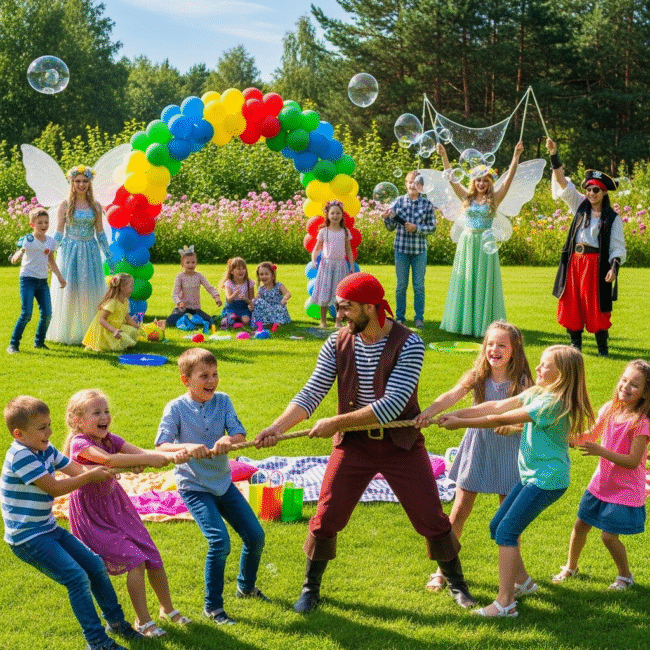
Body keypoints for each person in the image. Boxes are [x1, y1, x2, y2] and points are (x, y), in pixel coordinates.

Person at [255, 272, 475, 613]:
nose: (340, 314)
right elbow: (312, 392)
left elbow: (391, 405)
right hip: (354, 446)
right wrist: (276, 428)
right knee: (326, 516)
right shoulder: (337, 342)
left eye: (347, 307)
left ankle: (458, 585)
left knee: (430, 517)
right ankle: (310, 589)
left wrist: (335, 423)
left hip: (400, 444)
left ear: (370, 308)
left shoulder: (409, 343)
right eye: (339, 307)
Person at [436, 345, 594, 617]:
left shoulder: (551, 404)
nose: (537, 368)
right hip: (533, 476)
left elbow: (500, 417)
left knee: (507, 533)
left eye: (545, 365)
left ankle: (505, 603)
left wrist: (460, 423)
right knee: (498, 526)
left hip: (547, 481)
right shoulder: (539, 392)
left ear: (560, 374)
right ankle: (524, 583)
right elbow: (496, 405)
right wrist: (459, 414)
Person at [1, 396, 143, 650]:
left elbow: (77, 470)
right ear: (19, 434)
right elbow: (55, 488)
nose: (49, 432)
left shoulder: (45, 449)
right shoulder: (21, 456)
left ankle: (116, 623)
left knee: (95, 565)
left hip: (48, 528)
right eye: (42, 428)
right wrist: (91, 476)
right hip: (27, 538)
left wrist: (127, 466)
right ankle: (97, 641)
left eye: (49, 425)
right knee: (77, 578)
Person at [414, 321, 532, 592]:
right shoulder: (477, 375)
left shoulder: (523, 381)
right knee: (459, 511)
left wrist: (514, 425)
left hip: (509, 452)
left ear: (515, 349)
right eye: (490, 344)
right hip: (478, 446)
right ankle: (442, 570)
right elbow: (452, 395)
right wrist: (429, 412)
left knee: (509, 519)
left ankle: (515, 578)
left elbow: (531, 414)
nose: (494, 350)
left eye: (502, 345)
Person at [63, 389, 192, 637]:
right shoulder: (80, 443)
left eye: (106, 411)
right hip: (94, 515)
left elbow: (140, 452)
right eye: (96, 413)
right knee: (135, 560)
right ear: (78, 421)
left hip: (117, 506)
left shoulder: (110, 439)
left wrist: (171, 456)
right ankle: (143, 621)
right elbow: (109, 461)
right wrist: (144, 462)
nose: (104, 416)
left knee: (151, 554)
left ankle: (167, 609)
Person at [155, 347, 268, 625]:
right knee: (219, 542)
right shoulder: (175, 408)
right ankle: (213, 607)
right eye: (204, 376)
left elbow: (239, 433)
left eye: (215, 374)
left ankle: (246, 587)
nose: (212, 381)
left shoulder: (224, 401)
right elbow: (162, 445)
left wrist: (230, 440)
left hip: (223, 483)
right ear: (185, 380)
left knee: (255, 536)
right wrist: (187, 447)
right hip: (194, 487)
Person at [552, 360, 650, 590]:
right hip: (601, 483)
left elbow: (633, 461)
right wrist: (565, 437)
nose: (625, 386)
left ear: (645, 394)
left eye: (634, 385)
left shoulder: (642, 424)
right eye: (624, 380)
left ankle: (625, 576)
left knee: (608, 537)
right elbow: (591, 435)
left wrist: (601, 451)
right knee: (580, 526)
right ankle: (571, 567)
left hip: (625, 489)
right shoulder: (610, 409)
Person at [545, 138, 626, 356]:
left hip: (596, 265)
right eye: (589, 189)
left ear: (604, 193)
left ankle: (602, 349)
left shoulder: (612, 218)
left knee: (596, 305)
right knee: (571, 302)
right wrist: (554, 154)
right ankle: (575, 346)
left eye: (596, 190)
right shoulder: (580, 205)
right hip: (574, 262)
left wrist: (614, 268)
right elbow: (562, 182)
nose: (591, 193)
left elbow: (618, 247)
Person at [437, 142, 524, 338]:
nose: (481, 184)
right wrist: (444, 156)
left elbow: (508, 179)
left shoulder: (494, 199)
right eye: (478, 180)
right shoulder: (466, 197)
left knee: (484, 283)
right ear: (473, 182)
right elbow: (452, 178)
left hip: (486, 244)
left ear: (490, 182)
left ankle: (482, 325)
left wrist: (516, 156)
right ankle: (465, 324)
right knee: (466, 280)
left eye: (485, 180)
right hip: (468, 243)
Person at [47, 164, 113, 345]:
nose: (81, 185)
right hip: (70, 251)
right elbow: (59, 233)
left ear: (89, 183)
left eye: (85, 181)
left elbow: (100, 233)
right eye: (77, 181)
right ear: (72, 182)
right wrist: (49, 251)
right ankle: (66, 332)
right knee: (69, 291)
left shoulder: (95, 206)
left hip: (90, 251)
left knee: (88, 291)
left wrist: (108, 255)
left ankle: (88, 331)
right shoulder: (65, 205)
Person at [382, 171, 436, 328]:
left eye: (416, 182)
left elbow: (432, 227)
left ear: (421, 186)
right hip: (401, 249)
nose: (413, 185)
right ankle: (400, 318)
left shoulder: (427, 204)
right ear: (405, 184)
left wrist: (417, 228)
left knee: (418, 286)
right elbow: (391, 227)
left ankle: (419, 318)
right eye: (410, 182)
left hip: (419, 251)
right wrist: (386, 219)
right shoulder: (398, 202)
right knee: (401, 285)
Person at [7, 207, 65, 354]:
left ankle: (39, 342)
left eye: (46, 222)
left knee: (47, 314)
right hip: (27, 280)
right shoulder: (29, 239)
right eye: (40, 223)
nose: (43, 225)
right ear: (32, 224)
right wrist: (17, 255)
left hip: (42, 282)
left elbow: (51, 260)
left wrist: (60, 277)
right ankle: (13, 345)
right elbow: (22, 249)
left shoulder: (50, 242)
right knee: (26, 314)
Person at [310, 200, 354, 328]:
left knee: (339, 295)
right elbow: (317, 248)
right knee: (324, 292)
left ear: (342, 215)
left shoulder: (345, 232)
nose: (335, 215)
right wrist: (313, 259)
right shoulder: (324, 231)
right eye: (332, 213)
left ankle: (338, 322)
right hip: (326, 266)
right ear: (328, 215)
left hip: (340, 266)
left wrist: (351, 265)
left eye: (338, 213)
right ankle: (323, 321)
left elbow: (349, 249)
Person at [166, 245, 222, 328]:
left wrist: (216, 297)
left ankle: (191, 320)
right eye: (187, 263)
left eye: (193, 262)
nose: (190, 265)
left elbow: (209, 287)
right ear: (182, 264)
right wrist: (179, 302)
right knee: (170, 321)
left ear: (196, 263)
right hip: (183, 309)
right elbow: (175, 294)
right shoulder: (180, 277)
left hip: (195, 309)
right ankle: (188, 320)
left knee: (210, 321)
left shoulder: (199, 276)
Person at [82, 273, 141, 352]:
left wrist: (137, 326)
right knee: (121, 343)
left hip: (117, 328)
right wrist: (114, 330)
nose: (132, 289)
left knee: (133, 331)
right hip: (107, 331)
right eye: (131, 286)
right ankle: (112, 344)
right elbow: (101, 319)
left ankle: (121, 342)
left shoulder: (125, 301)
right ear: (122, 287)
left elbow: (127, 318)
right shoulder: (112, 302)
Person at [251, 261, 291, 330]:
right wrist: (252, 303)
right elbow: (259, 301)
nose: (264, 276)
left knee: (279, 308)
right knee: (256, 301)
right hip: (267, 311)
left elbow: (288, 294)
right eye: (261, 274)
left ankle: (276, 323)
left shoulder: (279, 285)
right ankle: (260, 324)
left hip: (277, 308)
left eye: (266, 274)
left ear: (273, 275)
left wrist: (284, 299)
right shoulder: (261, 289)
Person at [220, 257, 255, 329]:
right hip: (231, 307)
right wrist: (235, 293)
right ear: (232, 271)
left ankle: (238, 320)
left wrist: (245, 299)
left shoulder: (249, 282)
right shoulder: (229, 283)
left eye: (243, 268)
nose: (241, 271)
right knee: (229, 321)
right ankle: (230, 319)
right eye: (238, 269)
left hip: (244, 308)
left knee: (246, 321)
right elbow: (229, 300)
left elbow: (252, 301)